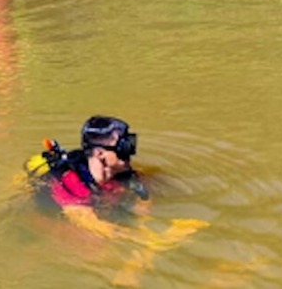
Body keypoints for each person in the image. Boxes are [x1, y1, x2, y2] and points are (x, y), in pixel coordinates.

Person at [24, 116, 208, 285]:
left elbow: (142, 198)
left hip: (101, 205)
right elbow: (90, 223)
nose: (130, 151)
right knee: (95, 247)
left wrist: (146, 226)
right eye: (124, 147)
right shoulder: (70, 182)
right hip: (45, 218)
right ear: (101, 155)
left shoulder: (122, 173)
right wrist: (150, 242)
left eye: (130, 143)